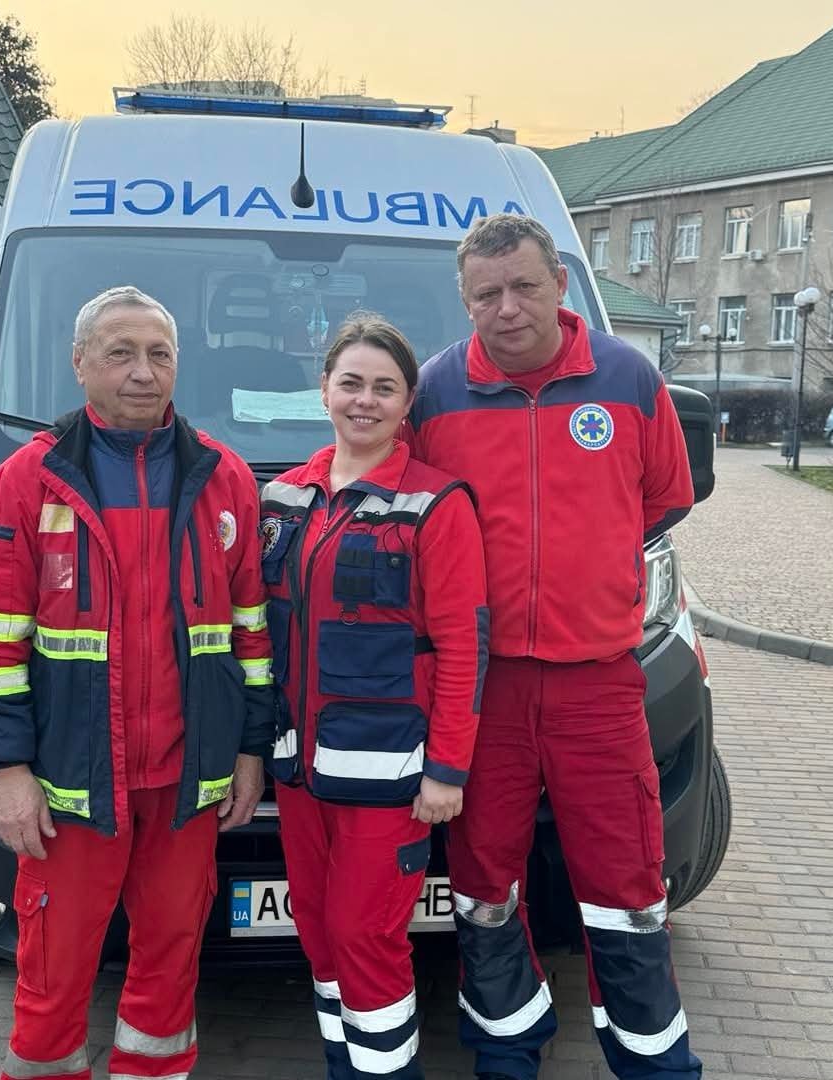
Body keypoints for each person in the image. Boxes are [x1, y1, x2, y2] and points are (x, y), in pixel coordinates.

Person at [407, 214, 701, 1080]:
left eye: (524, 287)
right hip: (484, 689)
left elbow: (662, 498)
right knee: (483, 888)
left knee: (627, 890)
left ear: (561, 285)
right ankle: (506, 1054)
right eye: (486, 294)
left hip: (598, 684)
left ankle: (655, 1065)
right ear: (465, 301)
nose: (507, 308)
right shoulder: (435, 392)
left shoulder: (628, 377)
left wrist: (586, 572)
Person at [0, 286, 274, 1080]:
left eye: (159, 354)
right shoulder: (29, 480)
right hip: (70, 785)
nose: (142, 372)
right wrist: (6, 771)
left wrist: (248, 752)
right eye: (120, 353)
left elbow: (250, 633)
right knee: (54, 969)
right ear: (80, 364)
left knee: (171, 961)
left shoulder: (226, 479)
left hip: (186, 782)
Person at [260, 315, 489, 1080]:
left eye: (384, 388)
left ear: (407, 402)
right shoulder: (284, 497)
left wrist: (447, 771)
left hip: (390, 777)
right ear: (323, 389)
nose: (365, 400)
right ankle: (345, 1064)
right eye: (351, 383)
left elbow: (463, 646)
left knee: (366, 937)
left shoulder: (436, 503)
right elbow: (259, 636)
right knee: (320, 935)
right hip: (300, 773)